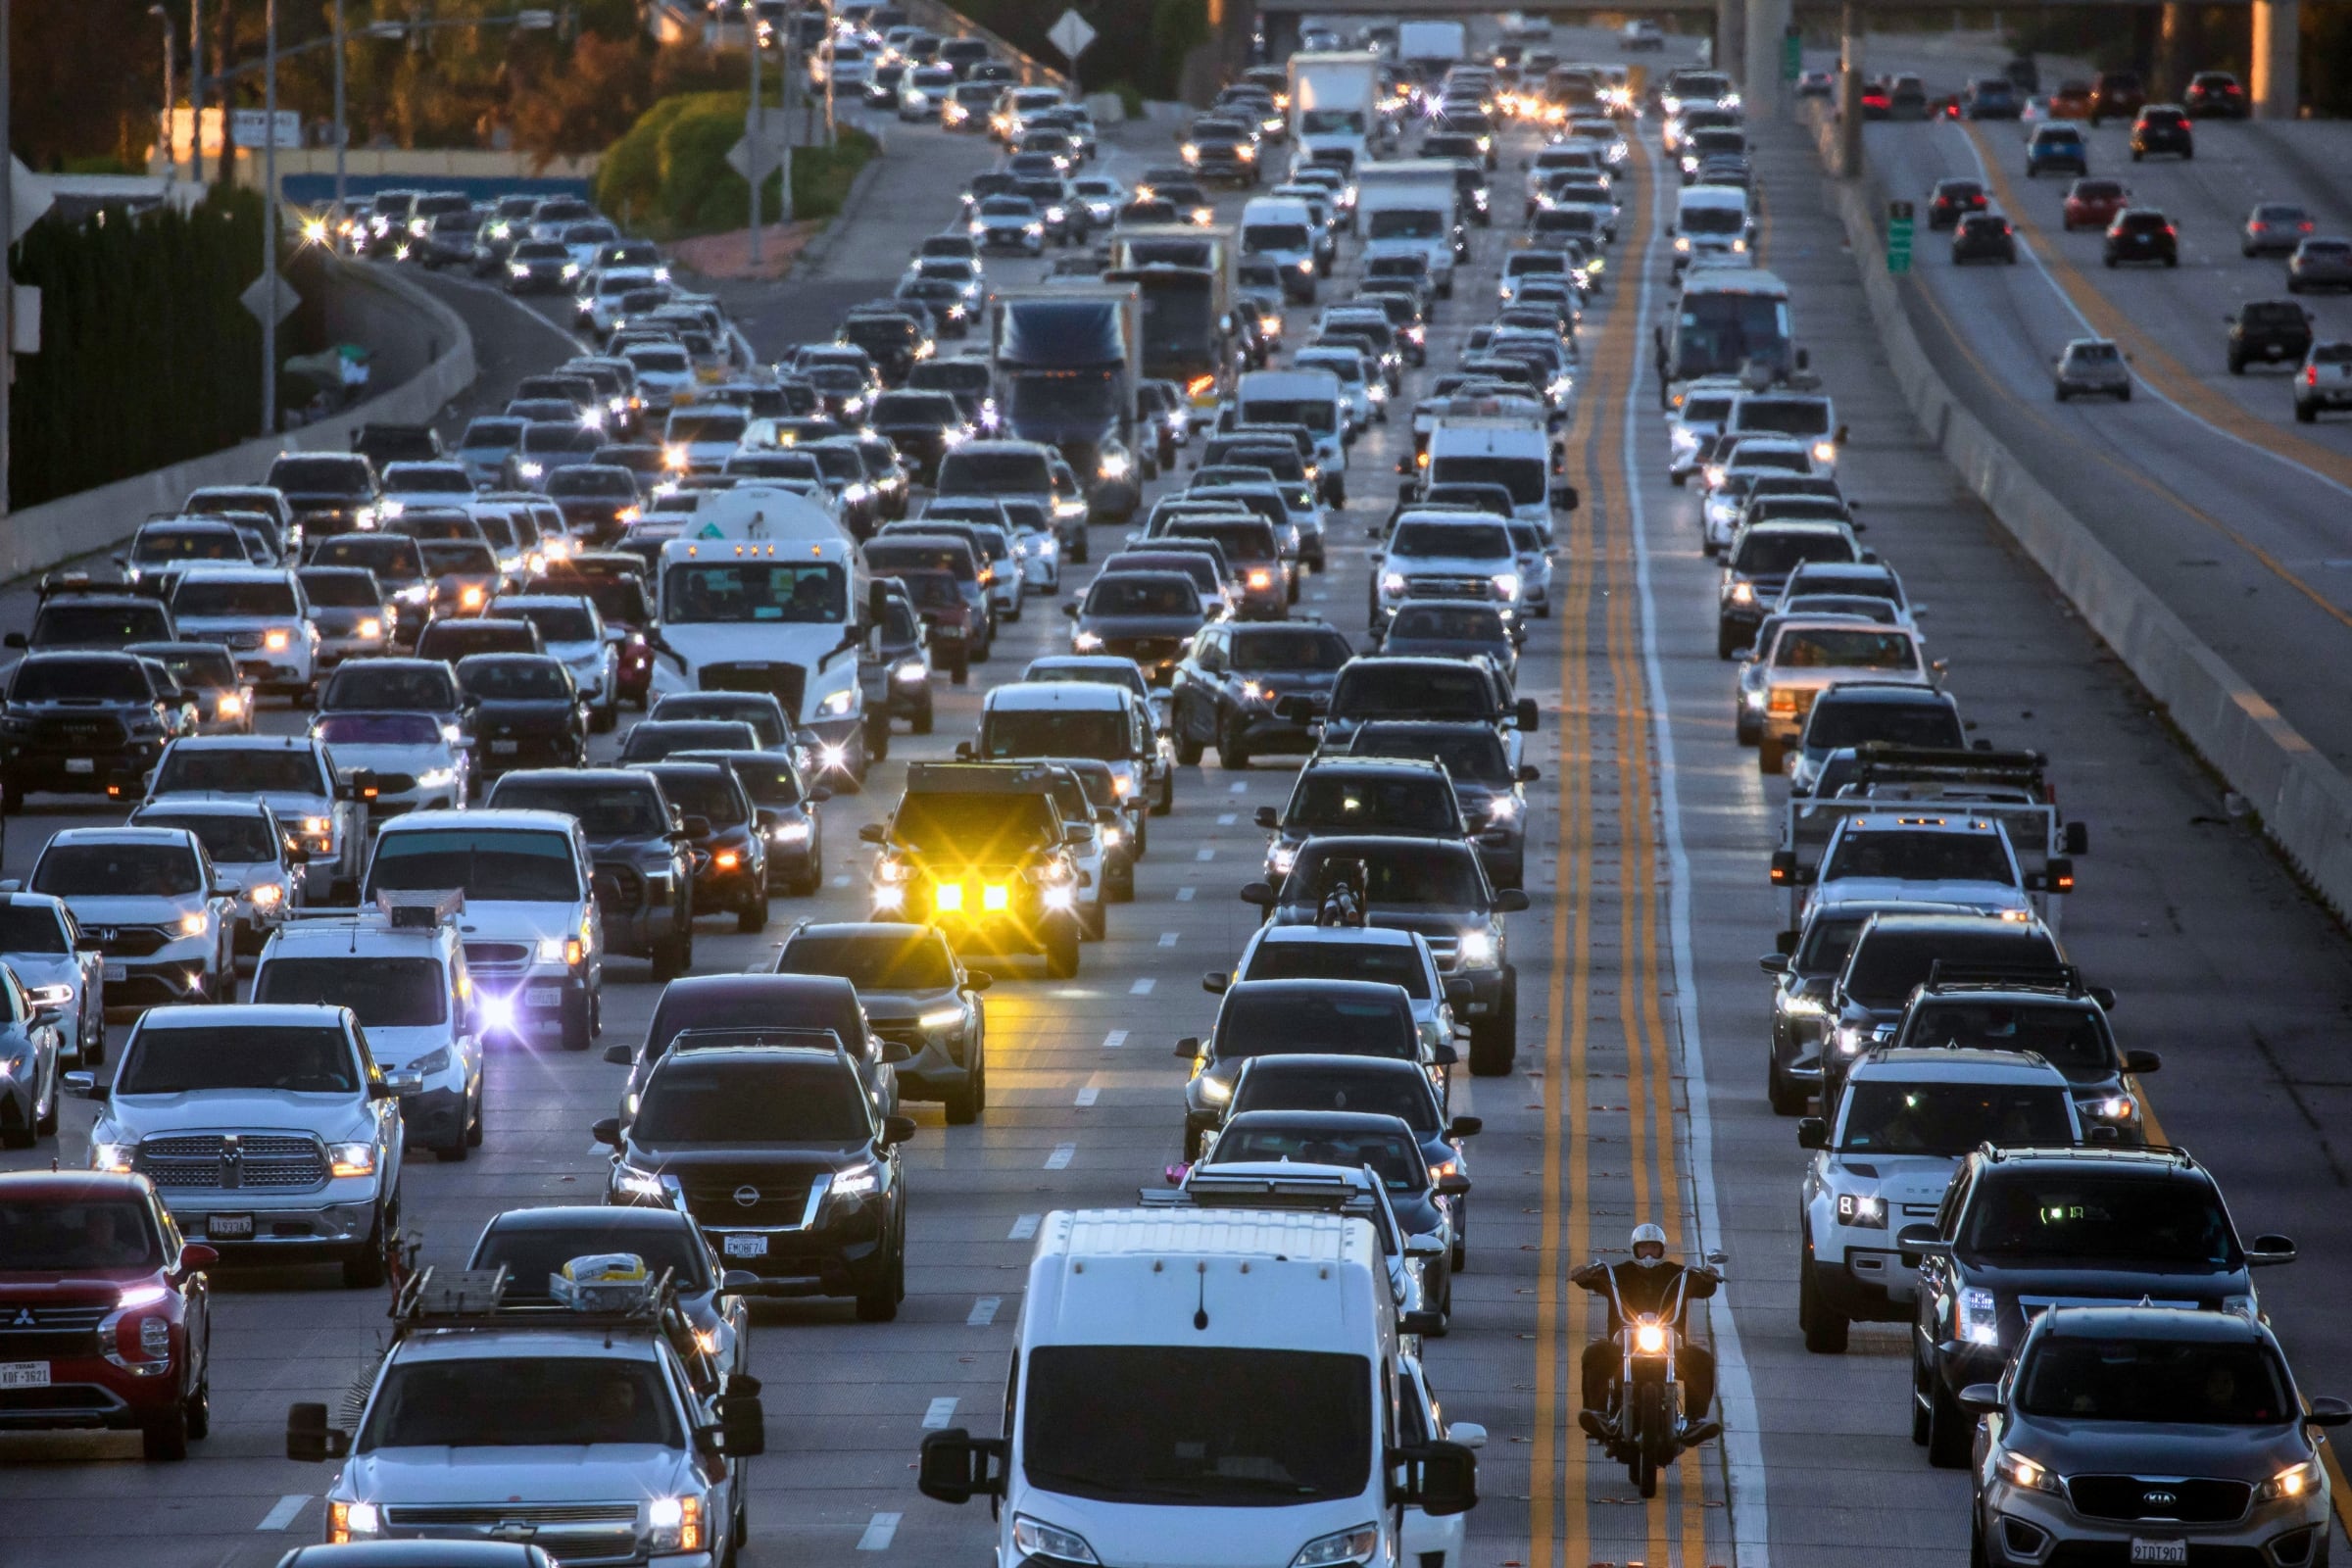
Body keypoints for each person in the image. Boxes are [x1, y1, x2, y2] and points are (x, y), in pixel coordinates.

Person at [1571, 1223, 1722, 1443]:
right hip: (1623, 1349)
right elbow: (1592, 1279)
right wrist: (1582, 1275)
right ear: (1635, 1249)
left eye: (1654, 1247)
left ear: (1662, 1249)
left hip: (1670, 1349)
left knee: (1701, 1359)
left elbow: (1704, 1287)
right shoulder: (1617, 1273)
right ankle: (1598, 1415)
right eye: (1644, 1248)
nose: (1649, 1253)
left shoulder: (1678, 1274)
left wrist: (1709, 1276)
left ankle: (1694, 1421)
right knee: (1595, 1353)